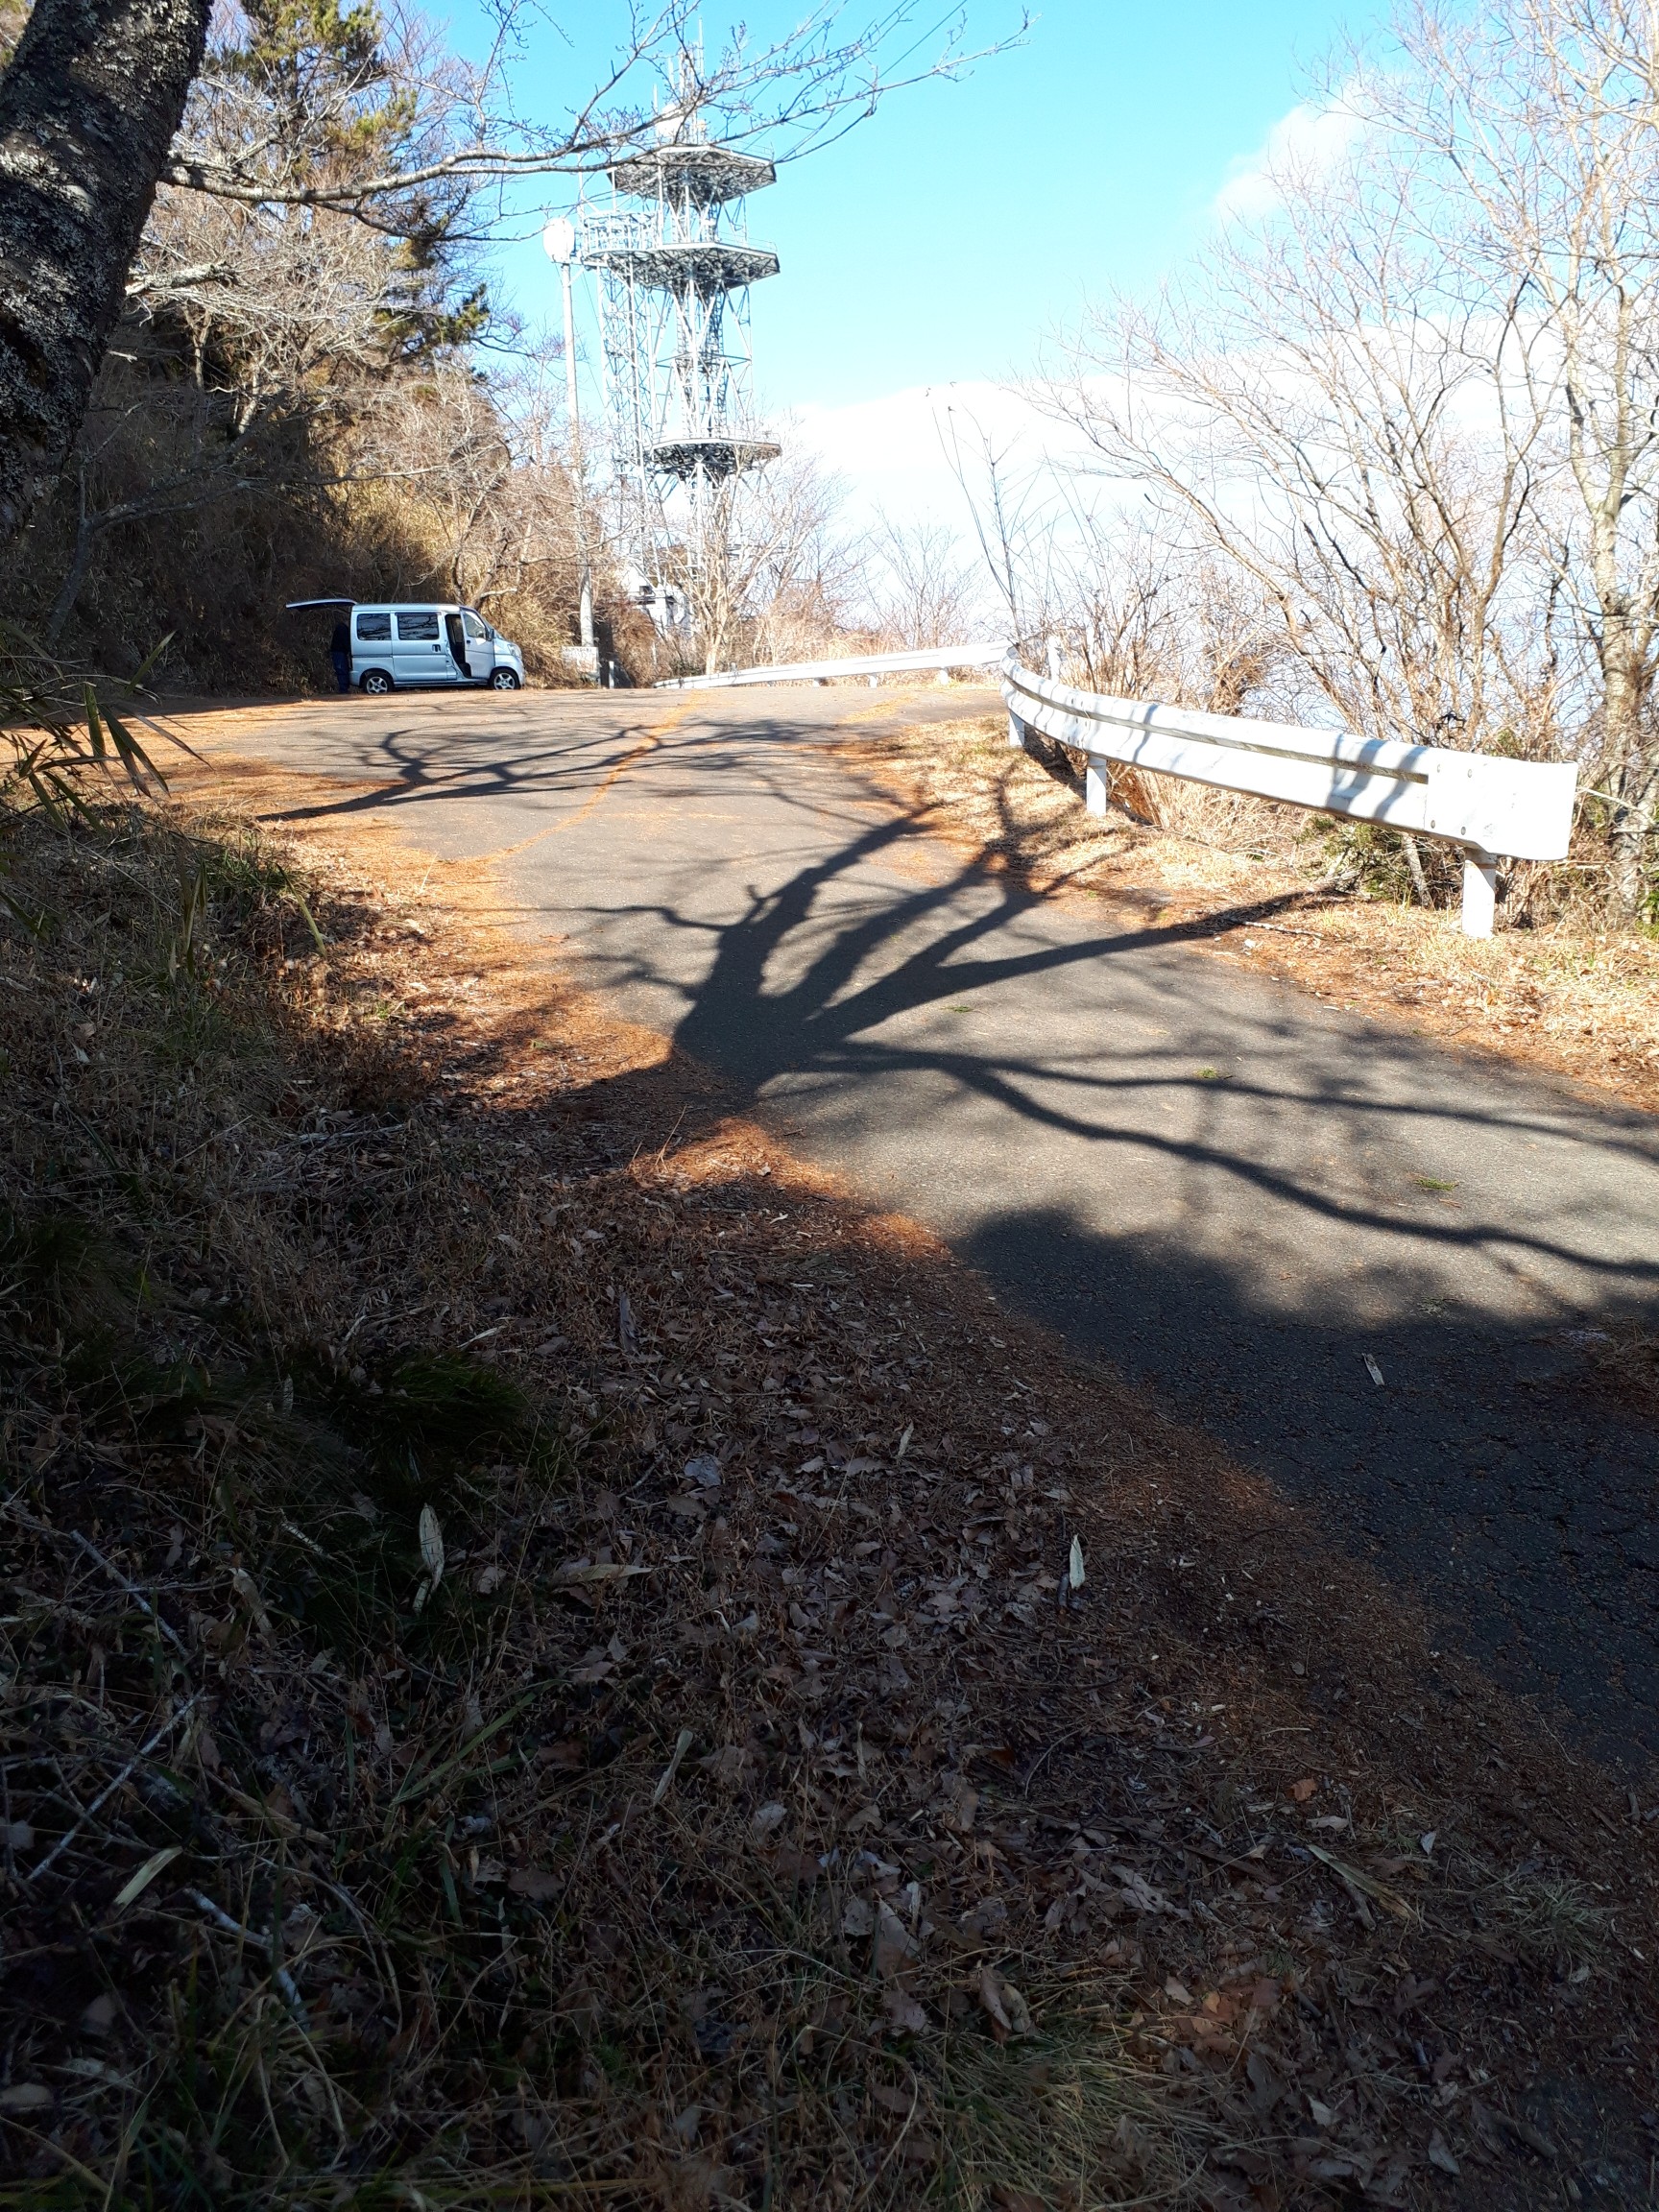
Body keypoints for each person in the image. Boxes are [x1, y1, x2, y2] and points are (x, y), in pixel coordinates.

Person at [329, 618, 350, 692]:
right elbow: (345, 642)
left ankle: (344, 688)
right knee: (342, 670)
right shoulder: (342, 629)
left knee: (343, 669)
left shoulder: (341, 628)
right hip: (339, 652)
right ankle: (343, 689)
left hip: (339, 652)